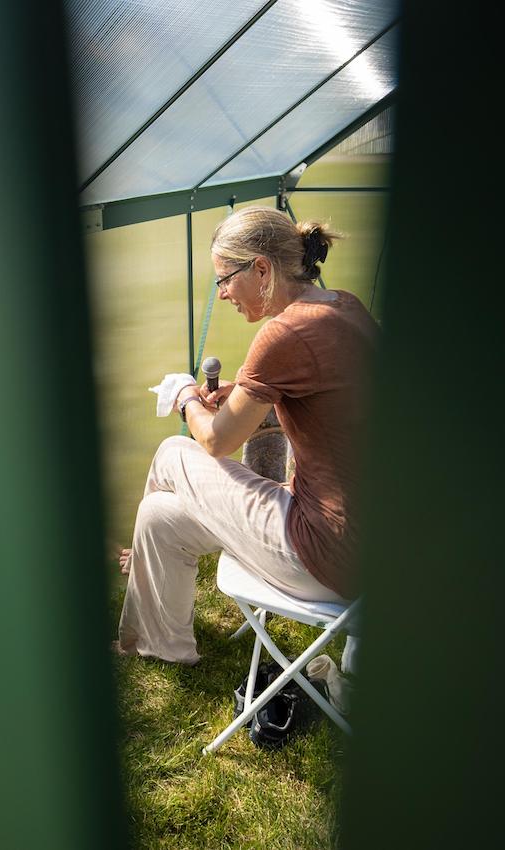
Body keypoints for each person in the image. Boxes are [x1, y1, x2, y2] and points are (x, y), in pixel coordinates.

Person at [115, 206, 377, 665]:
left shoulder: (283, 332)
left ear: (261, 269)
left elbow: (216, 441)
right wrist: (247, 399)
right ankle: (161, 646)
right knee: (158, 515)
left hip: (326, 555)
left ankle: (137, 569)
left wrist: (184, 397)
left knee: (174, 450)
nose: (221, 294)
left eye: (225, 278)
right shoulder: (344, 305)